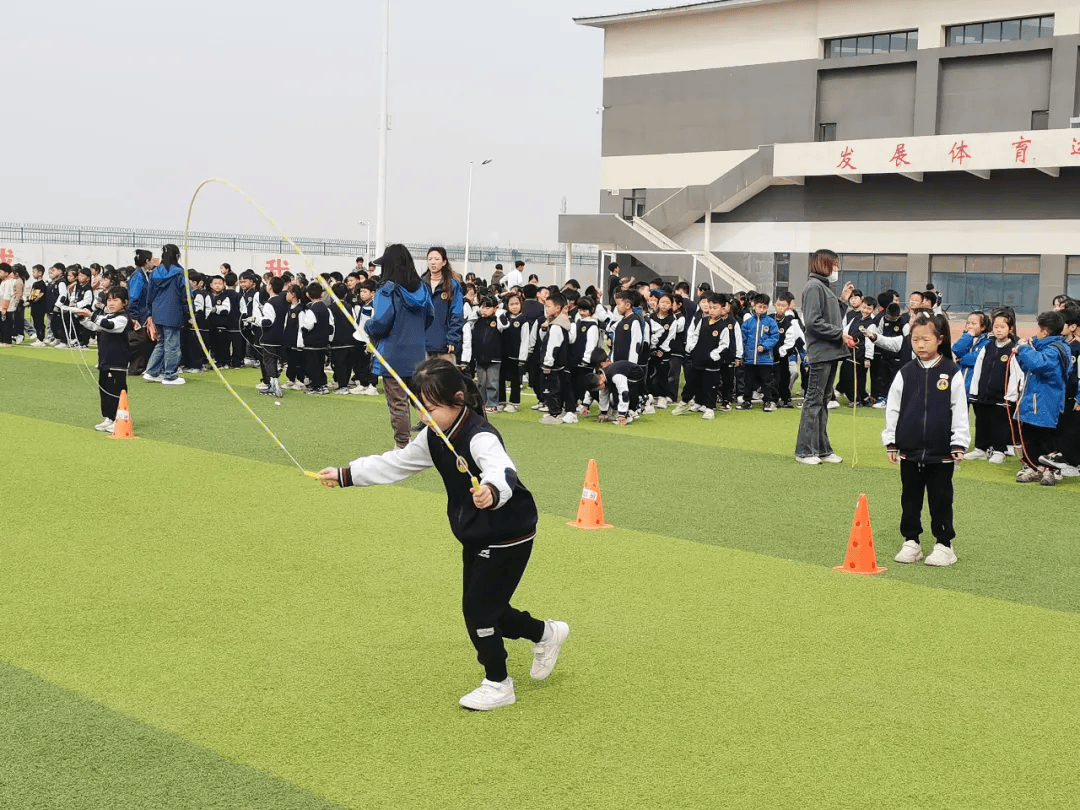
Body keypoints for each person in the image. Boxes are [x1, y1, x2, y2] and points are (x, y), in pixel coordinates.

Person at [317, 358, 569, 711]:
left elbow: (502, 469)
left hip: (509, 532)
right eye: (420, 407)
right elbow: (397, 463)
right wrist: (347, 474)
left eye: (431, 408)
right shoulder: (434, 436)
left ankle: (498, 683)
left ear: (458, 399)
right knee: (490, 608)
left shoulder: (479, 434)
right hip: (478, 535)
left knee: (478, 611)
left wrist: (493, 491)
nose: (424, 416)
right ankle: (546, 633)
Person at [882, 312, 970, 567]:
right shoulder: (906, 373)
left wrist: (959, 443)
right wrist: (891, 441)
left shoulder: (951, 372)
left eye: (926, 339)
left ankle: (944, 544)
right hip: (909, 451)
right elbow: (893, 409)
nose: (920, 345)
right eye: (915, 339)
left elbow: (960, 410)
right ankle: (912, 541)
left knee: (940, 499)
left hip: (941, 451)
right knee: (910, 498)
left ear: (940, 340)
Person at [363, 245, 435, 448]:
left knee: (398, 402)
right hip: (416, 354)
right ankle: (438, 436)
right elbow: (430, 317)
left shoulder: (387, 290)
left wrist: (368, 326)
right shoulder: (422, 288)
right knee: (421, 399)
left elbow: (381, 322)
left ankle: (402, 445)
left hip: (391, 354)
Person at [795, 249, 855, 465]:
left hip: (831, 352)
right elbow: (812, 322)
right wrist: (840, 334)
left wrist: (842, 300)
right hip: (821, 352)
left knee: (822, 401)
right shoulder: (813, 287)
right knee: (814, 401)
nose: (837, 269)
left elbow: (833, 318)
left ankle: (821, 449)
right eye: (835, 264)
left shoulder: (824, 288)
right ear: (824, 264)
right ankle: (804, 450)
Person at [1014, 310, 1071, 486]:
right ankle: (1032, 466)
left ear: (1045, 331)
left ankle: (1049, 469)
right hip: (1034, 399)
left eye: (1039, 329)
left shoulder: (1055, 350)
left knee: (1046, 436)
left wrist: (1024, 348)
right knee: (1030, 434)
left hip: (1046, 400)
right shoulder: (1044, 348)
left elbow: (1039, 364)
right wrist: (1021, 354)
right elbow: (1029, 367)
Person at [966, 309, 1021, 464]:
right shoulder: (987, 347)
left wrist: (1009, 396)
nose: (998, 330)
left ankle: (999, 450)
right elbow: (978, 369)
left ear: (1010, 329)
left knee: (1000, 423)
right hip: (984, 394)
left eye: (1002, 327)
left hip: (1001, 396)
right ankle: (981, 449)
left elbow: (1015, 374)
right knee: (982, 421)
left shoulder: (1013, 349)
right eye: (996, 327)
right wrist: (975, 390)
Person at [74, 287, 131, 432]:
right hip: (105, 361)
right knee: (104, 390)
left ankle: (119, 418)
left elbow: (110, 326)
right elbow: (95, 326)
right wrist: (82, 318)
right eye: (109, 300)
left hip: (117, 363)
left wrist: (91, 314)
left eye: (115, 300)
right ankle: (109, 417)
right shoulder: (108, 316)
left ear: (124, 303)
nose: (111, 303)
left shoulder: (123, 318)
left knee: (116, 391)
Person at [143, 244, 187, 385]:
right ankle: (170, 375)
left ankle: (151, 371)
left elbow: (149, 295)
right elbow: (185, 294)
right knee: (172, 344)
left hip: (157, 311)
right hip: (173, 311)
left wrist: (150, 312)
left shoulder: (155, 272)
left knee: (162, 343)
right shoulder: (179, 272)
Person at [739, 293, 780, 412]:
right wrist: (743, 354)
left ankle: (768, 401)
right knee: (748, 381)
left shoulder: (771, 322)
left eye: (764, 307)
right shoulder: (747, 323)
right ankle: (747, 401)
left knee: (766, 382)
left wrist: (765, 346)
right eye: (759, 306)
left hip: (765, 359)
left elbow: (774, 337)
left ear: (767, 307)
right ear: (753, 306)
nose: (761, 309)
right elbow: (743, 340)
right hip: (750, 359)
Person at [423, 247, 465, 361]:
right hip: (423, 344)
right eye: (430, 259)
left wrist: (452, 338)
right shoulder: (421, 284)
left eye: (436, 259)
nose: (432, 262)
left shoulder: (453, 285)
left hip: (445, 345)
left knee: (445, 378)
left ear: (444, 262)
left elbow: (457, 313)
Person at [537, 291, 572, 424]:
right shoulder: (556, 324)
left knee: (550, 390)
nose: (546, 309)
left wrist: (547, 364)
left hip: (552, 366)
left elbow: (553, 347)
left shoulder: (557, 326)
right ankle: (556, 412)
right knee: (556, 388)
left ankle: (555, 414)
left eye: (549, 306)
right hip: (558, 365)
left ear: (558, 308)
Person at [469, 295, 506, 412]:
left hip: (494, 357)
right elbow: (469, 321)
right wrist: (478, 312)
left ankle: (492, 403)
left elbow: (504, 325)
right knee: (481, 382)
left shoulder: (498, 320)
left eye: (488, 307)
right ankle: (481, 403)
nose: (484, 310)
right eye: (483, 307)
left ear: (495, 308)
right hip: (480, 357)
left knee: (492, 382)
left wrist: (499, 313)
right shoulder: (478, 321)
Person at [592, 349, 646, 426]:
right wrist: (603, 413)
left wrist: (622, 415)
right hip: (623, 372)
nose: (601, 390)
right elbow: (603, 395)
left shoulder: (615, 376)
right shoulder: (603, 377)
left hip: (635, 373)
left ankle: (634, 408)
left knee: (623, 391)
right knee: (612, 390)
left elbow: (624, 392)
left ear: (600, 382)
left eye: (599, 388)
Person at [497, 292, 529, 413]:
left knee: (516, 380)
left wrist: (522, 358)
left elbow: (525, 340)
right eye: (511, 304)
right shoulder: (504, 318)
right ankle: (501, 401)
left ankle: (514, 402)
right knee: (501, 378)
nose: (514, 306)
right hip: (503, 354)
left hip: (517, 356)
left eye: (517, 304)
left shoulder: (523, 320)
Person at [127, 250, 156, 375]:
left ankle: (141, 367)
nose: (153, 262)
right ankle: (136, 368)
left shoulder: (143, 275)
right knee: (139, 342)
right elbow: (134, 296)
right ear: (146, 261)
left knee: (145, 342)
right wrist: (134, 316)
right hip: (140, 314)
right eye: (151, 259)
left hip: (144, 313)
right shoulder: (138, 276)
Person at [300, 282, 331, 395]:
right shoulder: (324, 308)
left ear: (308, 294)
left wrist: (303, 329)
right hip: (323, 341)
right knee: (320, 364)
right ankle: (322, 385)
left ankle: (316, 386)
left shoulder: (312, 309)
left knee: (312, 365)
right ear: (322, 294)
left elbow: (309, 325)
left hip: (312, 342)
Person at [27, 265, 48, 347]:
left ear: (40, 273)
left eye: (34, 272)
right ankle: (41, 338)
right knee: (36, 323)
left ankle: (41, 339)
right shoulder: (36, 283)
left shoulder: (41, 284)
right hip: (35, 306)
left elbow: (37, 296)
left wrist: (29, 301)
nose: (33, 274)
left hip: (39, 306)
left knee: (39, 323)